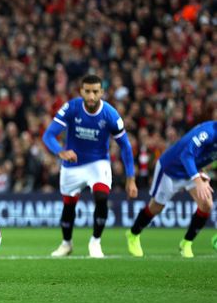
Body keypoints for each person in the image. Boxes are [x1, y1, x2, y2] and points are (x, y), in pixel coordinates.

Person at [42, 75, 138, 258]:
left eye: (95, 91)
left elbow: (125, 146)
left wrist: (131, 178)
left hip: (98, 162)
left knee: (101, 196)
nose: (92, 96)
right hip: (72, 164)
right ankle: (66, 244)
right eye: (88, 91)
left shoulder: (110, 115)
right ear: (81, 91)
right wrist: (61, 152)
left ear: (102, 92)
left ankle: (95, 242)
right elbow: (48, 135)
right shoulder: (71, 108)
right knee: (69, 206)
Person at [126, 121, 216, 258]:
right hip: (171, 169)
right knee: (156, 207)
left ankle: (186, 243)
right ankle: (133, 234)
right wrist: (198, 180)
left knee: (206, 204)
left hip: (192, 170)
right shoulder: (207, 133)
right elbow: (186, 155)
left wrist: (202, 171)